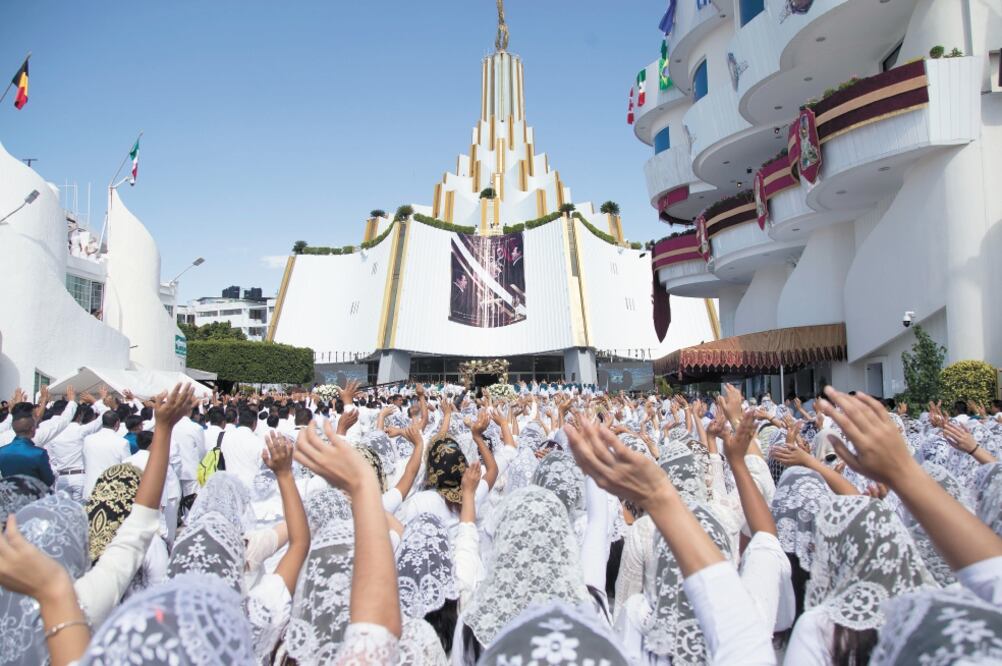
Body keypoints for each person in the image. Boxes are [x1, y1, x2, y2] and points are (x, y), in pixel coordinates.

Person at [82, 411, 131, 498]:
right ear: (117, 423)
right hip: (111, 491)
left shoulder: (88, 439)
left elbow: (85, 462)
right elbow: (127, 468)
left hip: (90, 488)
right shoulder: (122, 442)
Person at [0, 411, 57, 486]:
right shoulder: (39, 453)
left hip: (10, 495)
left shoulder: (2, 451)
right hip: (34, 495)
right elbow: (49, 481)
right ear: (32, 429)